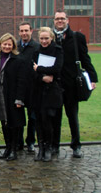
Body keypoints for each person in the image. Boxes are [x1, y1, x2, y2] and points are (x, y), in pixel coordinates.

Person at [53, 10, 98, 158]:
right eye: (57, 19)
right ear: (54, 21)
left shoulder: (77, 37)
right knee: (55, 117)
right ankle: (55, 146)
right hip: (55, 85)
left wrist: (92, 78)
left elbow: (85, 58)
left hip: (72, 83)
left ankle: (76, 145)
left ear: (67, 20)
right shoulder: (50, 37)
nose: (60, 21)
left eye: (62, 18)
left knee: (72, 116)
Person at [0, 33, 26, 161]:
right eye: (4, 44)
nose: (6, 46)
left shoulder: (18, 59)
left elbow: (22, 81)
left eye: (9, 44)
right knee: (3, 122)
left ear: (13, 46)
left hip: (12, 95)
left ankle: (13, 149)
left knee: (13, 122)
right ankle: (7, 147)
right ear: (0, 44)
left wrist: (19, 99)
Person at [32, 27, 63, 162]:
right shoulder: (36, 51)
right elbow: (31, 71)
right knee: (38, 120)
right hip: (38, 90)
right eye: (42, 39)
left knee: (48, 121)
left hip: (52, 91)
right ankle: (41, 148)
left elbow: (57, 69)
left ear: (51, 38)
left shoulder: (58, 51)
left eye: (46, 38)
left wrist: (39, 69)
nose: (44, 41)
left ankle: (48, 147)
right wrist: (41, 76)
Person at [17, 21, 40, 153]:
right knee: (19, 117)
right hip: (19, 87)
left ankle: (31, 141)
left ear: (31, 31)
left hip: (33, 87)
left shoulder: (37, 47)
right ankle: (19, 141)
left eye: (26, 30)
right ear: (19, 32)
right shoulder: (15, 46)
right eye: (22, 31)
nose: (24, 33)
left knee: (32, 117)